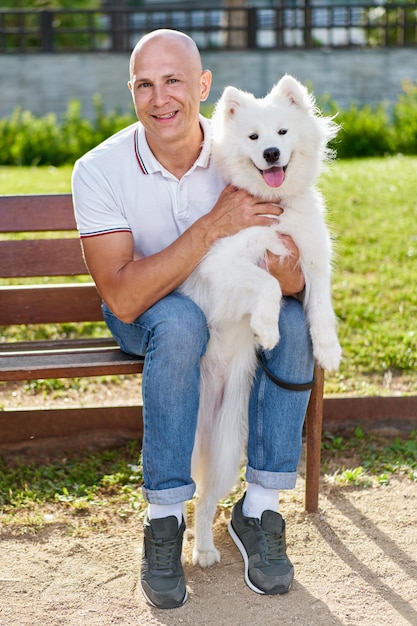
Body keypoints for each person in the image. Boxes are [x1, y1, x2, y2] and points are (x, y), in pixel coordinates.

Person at [72, 29, 314, 610]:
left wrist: (285, 271)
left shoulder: (246, 150)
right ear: (132, 93)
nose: (161, 99)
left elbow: (296, 282)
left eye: (174, 81)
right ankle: (163, 520)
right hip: (148, 313)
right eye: (145, 85)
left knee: (295, 323)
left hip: (226, 303)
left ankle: (259, 511)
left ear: (203, 86)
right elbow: (124, 299)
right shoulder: (100, 169)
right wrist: (213, 226)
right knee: (180, 320)